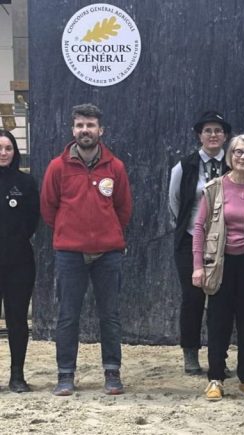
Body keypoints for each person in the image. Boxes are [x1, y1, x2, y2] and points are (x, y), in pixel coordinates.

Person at [40, 103, 133, 396]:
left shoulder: (115, 166)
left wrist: (107, 234)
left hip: (108, 254)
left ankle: (112, 373)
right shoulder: (58, 167)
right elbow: (48, 208)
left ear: (100, 130)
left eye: (90, 125)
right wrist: (71, 231)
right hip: (70, 253)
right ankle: (65, 374)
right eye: (80, 125)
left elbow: (123, 208)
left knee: (111, 316)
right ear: (73, 130)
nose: (85, 130)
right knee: (68, 315)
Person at [192, 134, 244, 401]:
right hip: (220, 265)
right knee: (218, 324)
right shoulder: (215, 187)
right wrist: (198, 267)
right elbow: (198, 228)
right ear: (230, 155)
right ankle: (215, 378)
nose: (242, 157)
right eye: (238, 152)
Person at [168, 110, 231, 376]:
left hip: (227, 243)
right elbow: (174, 204)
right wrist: (191, 229)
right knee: (192, 299)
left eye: (218, 131)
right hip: (191, 240)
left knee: (223, 301)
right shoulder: (185, 166)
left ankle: (220, 356)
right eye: (208, 131)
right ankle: (190, 353)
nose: (213, 135)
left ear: (225, 136)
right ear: (199, 135)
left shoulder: (235, 163)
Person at [0, 129, 39, 393]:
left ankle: (17, 376)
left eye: (8, 148)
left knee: (17, 320)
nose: (3, 153)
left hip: (18, 262)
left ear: (15, 152)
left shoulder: (25, 183)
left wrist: (13, 241)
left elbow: (32, 220)